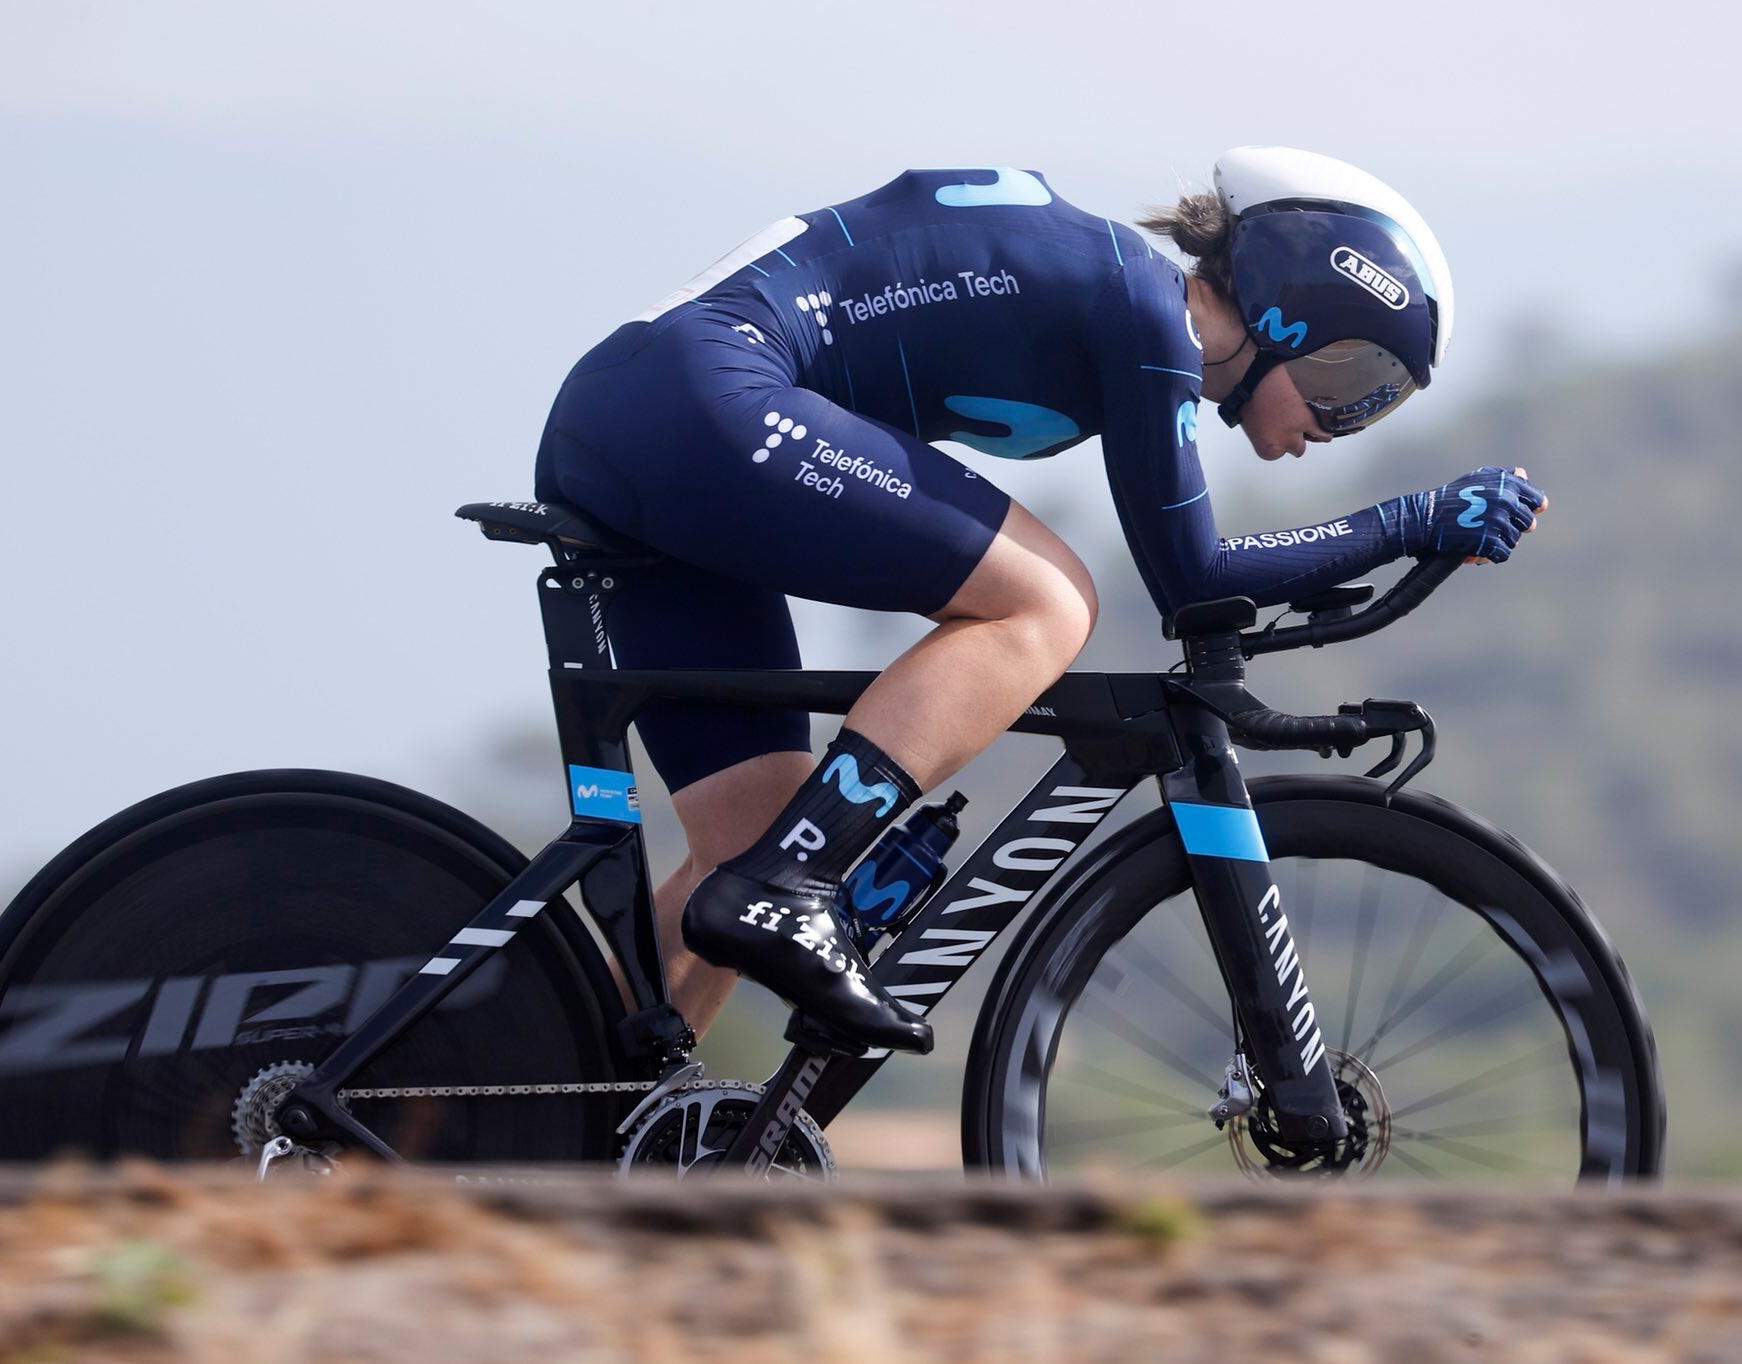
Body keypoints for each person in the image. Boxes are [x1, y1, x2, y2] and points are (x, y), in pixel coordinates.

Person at [532, 147, 1547, 1055]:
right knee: (1046, 602)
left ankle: (556, 1114)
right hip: (698, 398)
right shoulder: (1146, 311)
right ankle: (787, 887)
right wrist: (1411, 517)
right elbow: (1193, 578)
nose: (1347, 419)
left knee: (746, 842)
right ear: (1298, 310)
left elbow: (1202, 587)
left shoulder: (1131, 310)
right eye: (1357, 378)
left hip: (648, 415)